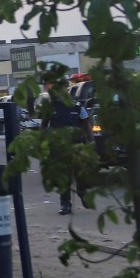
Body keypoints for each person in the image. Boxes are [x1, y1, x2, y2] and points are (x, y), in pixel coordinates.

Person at [41, 80, 93, 215]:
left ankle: (83, 193)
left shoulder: (76, 105)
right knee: (64, 177)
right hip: (59, 148)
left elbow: (86, 123)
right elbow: (44, 126)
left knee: (81, 174)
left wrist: (90, 141)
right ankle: (65, 204)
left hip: (77, 146)